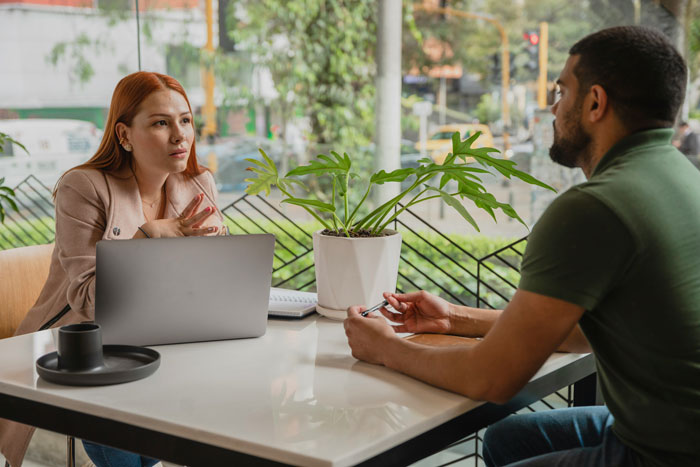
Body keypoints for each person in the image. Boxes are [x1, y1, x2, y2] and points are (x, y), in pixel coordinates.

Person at [344, 26, 700, 467]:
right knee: (509, 439)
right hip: (667, 428)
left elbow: (492, 379)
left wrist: (384, 349)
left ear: (595, 103)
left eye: (561, 91)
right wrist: (453, 318)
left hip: (665, 453)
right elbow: (577, 330)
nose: (553, 107)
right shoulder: (682, 177)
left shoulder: (595, 207)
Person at [0, 71, 227, 467]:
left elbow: (218, 277)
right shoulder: (83, 188)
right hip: (82, 354)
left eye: (186, 120)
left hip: (168, 344)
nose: (180, 135)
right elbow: (91, 304)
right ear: (124, 136)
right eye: (161, 122)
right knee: (127, 443)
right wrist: (146, 237)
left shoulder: (198, 183)